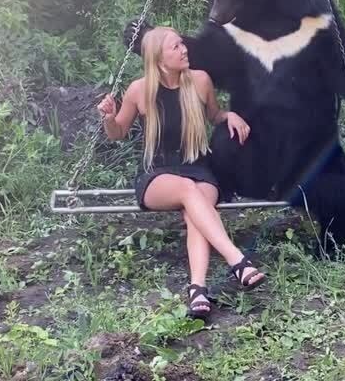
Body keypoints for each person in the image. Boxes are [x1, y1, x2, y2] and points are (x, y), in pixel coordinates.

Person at [96, 26, 266, 319]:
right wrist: (110, 118)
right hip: (157, 174)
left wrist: (230, 115)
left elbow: (213, 115)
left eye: (182, 44)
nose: (185, 49)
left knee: (195, 208)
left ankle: (197, 289)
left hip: (198, 168)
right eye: (176, 47)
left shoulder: (200, 80)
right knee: (188, 190)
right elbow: (117, 132)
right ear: (159, 58)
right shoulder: (139, 90)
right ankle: (237, 260)